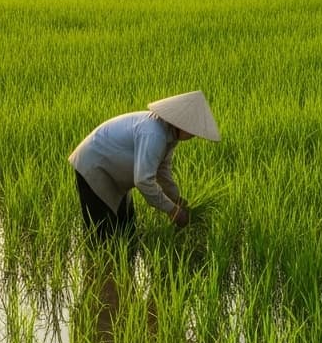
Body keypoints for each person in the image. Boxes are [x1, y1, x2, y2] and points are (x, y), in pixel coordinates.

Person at [68, 90, 221, 238]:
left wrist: (176, 198)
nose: (193, 136)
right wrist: (172, 210)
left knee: (127, 226)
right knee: (103, 231)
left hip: (113, 174)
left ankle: (124, 260)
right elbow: (143, 181)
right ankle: (102, 263)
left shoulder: (169, 135)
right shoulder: (154, 134)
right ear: (182, 125)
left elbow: (163, 171)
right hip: (94, 167)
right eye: (193, 131)